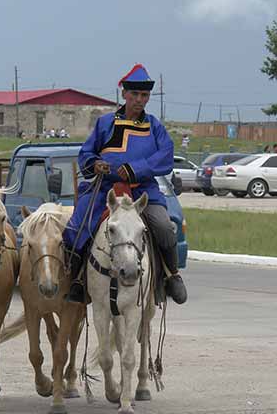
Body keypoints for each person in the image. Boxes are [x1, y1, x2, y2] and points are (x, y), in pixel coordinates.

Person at [62, 64, 187, 305]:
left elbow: (165, 156)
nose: (140, 100)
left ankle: (172, 276)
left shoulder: (154, 126)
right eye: (135, 95)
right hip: (105, 190)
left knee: (163, 225)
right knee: (76, 228)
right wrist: (95, 163)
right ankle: (77, 280)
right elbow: (86, 153)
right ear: (124, 94)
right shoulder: (105, 123)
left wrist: (134, 170)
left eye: (144, 95)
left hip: (142, 191)